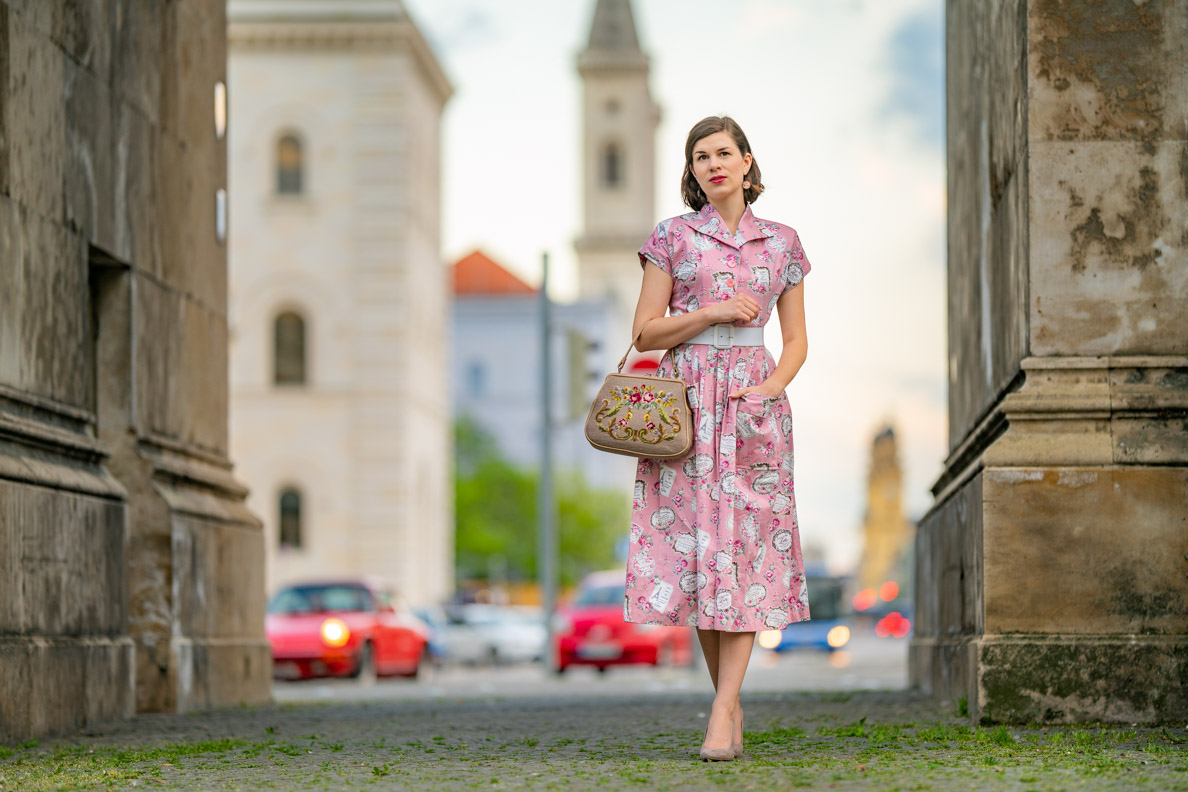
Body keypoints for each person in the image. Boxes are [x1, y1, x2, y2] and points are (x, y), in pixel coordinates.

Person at [625, 115, 812, 762]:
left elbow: (796, 343)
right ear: (693, 170)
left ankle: (722, 708)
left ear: (748, 163)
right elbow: (645, 333)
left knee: (746, 557)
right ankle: (727, 706)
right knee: (705, 561)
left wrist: (767, 392)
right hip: (686, 409)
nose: (713, 164)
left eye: (723, 153)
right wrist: (704, 312)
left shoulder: (783, 242)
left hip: (753, 406)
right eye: (700, 156)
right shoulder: (673, 237)